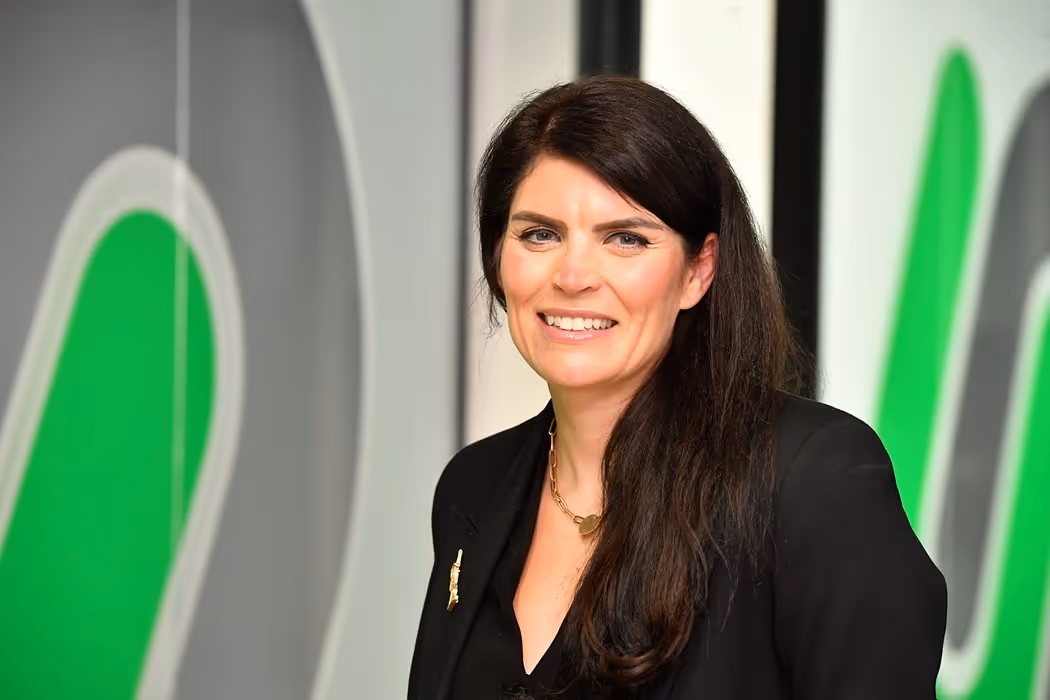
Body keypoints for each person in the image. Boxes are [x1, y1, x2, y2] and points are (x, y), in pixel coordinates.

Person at [408, 75, 946, 700]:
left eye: (625, 238)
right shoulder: (473, 487)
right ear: (499, 257)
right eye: (540, 234)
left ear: (698, 271)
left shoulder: (812, 480)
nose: (574, 276)